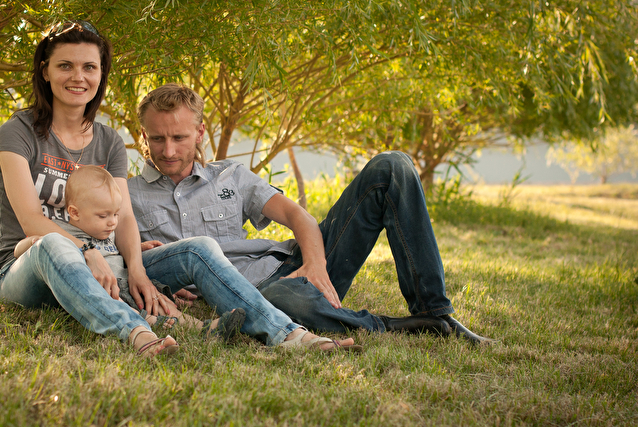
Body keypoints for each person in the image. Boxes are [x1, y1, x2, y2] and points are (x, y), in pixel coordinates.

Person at [0, 21, 359, 358]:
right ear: (45, 71)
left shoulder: (108, 141)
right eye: (65, 66)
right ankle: (136, 332)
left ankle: (287, 333)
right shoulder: (18, 133)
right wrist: (87, 251)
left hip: (107, 264)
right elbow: (31, 221)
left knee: (199, 247)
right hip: (29, 267)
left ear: (101, 73)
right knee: (53, 244)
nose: (78, 77)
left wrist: (137, 269)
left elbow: (125, 217)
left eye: (89, 67)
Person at [127, 83, 495, 344]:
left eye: (179, 138)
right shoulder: (126, 195)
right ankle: (400, 326)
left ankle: (434, 310)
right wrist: (142, 263)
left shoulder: (230, 176)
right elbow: (114, 257)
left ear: (199, 133)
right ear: (143, 136)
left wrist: (315, 265)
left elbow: (298, 217)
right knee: (284, 299)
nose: (168, 150)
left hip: (292, 264)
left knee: (392, 166)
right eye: (157, 139)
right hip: (258, 293)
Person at [13, 164, 245, 338]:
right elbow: (25, 250)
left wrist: (137, 248)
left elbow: (115, 251)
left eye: (115, 214)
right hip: (104, 291)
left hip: (125, 283)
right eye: (103, 216)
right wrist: (33, 242)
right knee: (141, 306)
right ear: (74, 212)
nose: (112, 222)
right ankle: (154, 323)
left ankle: (203, 328)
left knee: (159, 301)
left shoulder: (107, 233)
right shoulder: (63, 232)